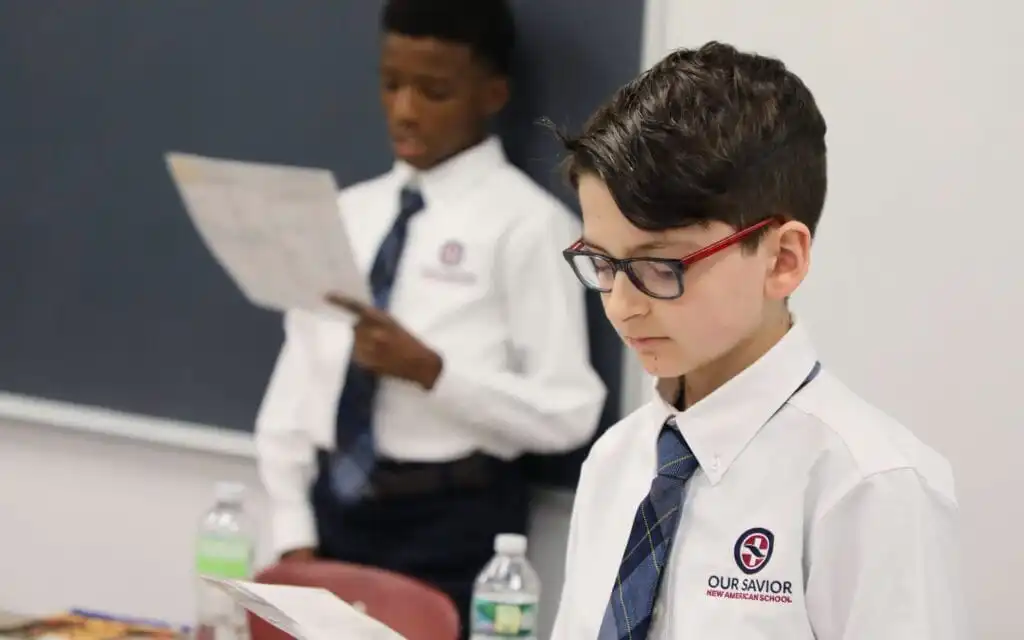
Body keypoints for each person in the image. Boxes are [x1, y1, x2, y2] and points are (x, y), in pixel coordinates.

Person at [549, 42, 967, 639]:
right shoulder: (617, 459)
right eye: (603, 263)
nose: (621, 302)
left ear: (782, 259)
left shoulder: (869, 486)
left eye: (663, 265)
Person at [254, 0, 606, 635]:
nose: (406, 110)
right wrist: (292, 530)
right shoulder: (347, 214)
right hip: (333, 514)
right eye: (391, 85)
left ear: (492, 93)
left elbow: (569, 410)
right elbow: (296, 385)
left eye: (434, 90)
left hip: (454, 526)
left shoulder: (529, 228)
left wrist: (434, 373)